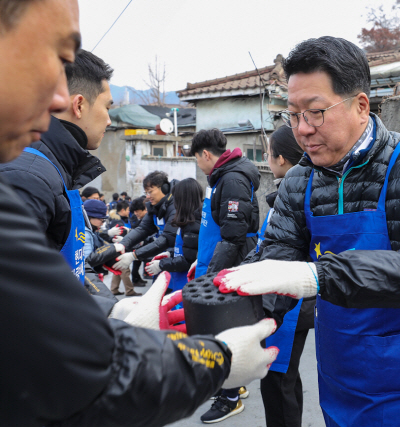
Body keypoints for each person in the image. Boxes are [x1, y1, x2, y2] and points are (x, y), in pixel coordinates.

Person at [0, 1, 277, 425]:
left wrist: (110, 309)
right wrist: (215, 360)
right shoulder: (29, 175)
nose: (55, 95)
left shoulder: (56, 173)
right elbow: (79, 364)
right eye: (48, 59)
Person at [212, 36, 400, 427]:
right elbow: (277, 257)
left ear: (361, 106)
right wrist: (227, 324)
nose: (302, 129)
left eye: (315, 113)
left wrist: (318, 275)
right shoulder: (301, 180)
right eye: (292, 115)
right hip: (339, 360)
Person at [0, 47, 111, 281]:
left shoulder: (56, 168)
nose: (109, 120)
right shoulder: (27, 177)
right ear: (79, 105)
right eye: (107, 107)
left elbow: (70, 270)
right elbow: (17, 293)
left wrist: (110, 311)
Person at [189, 128, 261, 423]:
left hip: (233, 259)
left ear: (206, 154)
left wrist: (212, 277)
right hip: (221, 256)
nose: (199, 165)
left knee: (224, 328)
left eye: (197, 159)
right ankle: (233, 385)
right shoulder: (221, 175)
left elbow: (233, 236)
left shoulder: (231, 179)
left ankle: (229, 397)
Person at [250, 126, 310, 427]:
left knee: (277, 379)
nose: (266, 157)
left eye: (268, 152)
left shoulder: (293, 195)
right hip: (284, 295)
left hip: (287, 300)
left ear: (282, 159)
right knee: (284, 377)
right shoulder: (285, 192)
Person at [113, 171, 179, 273]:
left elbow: (167, 238)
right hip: (161, 258)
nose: (147, 196)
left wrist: (134, 255)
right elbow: (142, 229)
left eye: (150, 192)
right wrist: (122, 244)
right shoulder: (155, 207)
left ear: (164, 188)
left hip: (176, 259)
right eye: (146, 193)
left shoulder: (175, 207)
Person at [145, 178, 202, 293]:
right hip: (179, 281)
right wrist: (170, 253)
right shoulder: (187, 221)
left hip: (187, 284)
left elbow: (188, 260)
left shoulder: (193, 224)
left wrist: (161, 265)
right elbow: (186, 249)